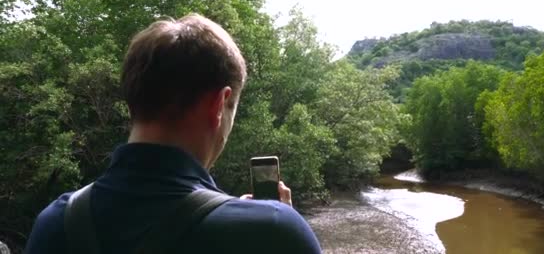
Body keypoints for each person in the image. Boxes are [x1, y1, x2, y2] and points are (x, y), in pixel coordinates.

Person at [25, 14, 322, 253]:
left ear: (133, 99)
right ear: (219, 104)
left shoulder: (56, 222)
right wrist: (274, 221)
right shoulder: (273, 231)